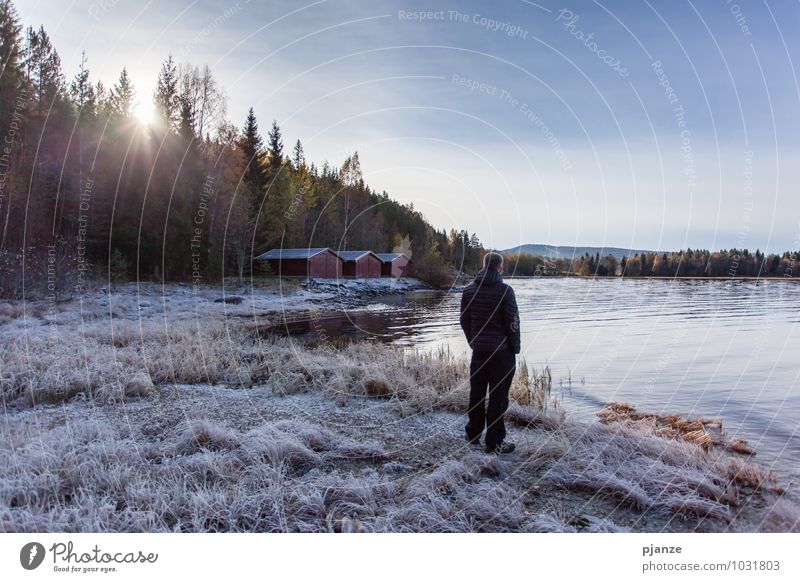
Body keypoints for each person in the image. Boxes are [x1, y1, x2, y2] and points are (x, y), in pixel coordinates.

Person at [459, 251, 521, 454]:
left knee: (476, 393)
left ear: (484, 265)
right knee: (498, 397)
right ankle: (494, 442)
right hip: (501, 353)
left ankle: (473, 434)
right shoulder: (505, 291)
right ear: (500, 268)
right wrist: (516, 347)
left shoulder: (468, 291)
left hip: (479, 352)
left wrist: (473, 341)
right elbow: (513, 322)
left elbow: (464, 320)